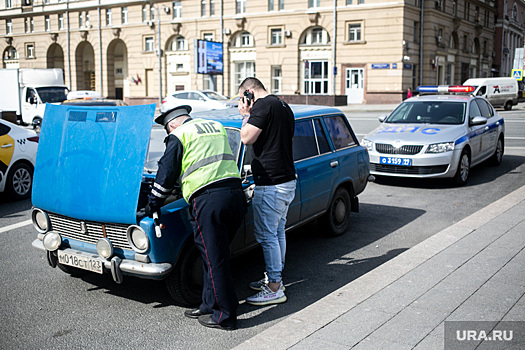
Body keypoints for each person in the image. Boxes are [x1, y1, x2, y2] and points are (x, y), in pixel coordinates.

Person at [145, 105, 247, 331]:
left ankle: (225, 317)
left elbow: (166, 173)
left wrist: (153, 203)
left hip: (209, 200)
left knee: (215, 260)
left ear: (171, 125)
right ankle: (208, 304)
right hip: (235, 195)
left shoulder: (179, 135)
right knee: (213, 257)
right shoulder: (216, 127)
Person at [237, 77, 296, 306]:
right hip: (286, 179)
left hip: (271, 183)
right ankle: (276, 279)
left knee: (267, 235)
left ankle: (274, 287)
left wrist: (245, 114)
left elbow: (245, 138)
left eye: (243, 98)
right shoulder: (283, 105)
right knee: (278, 231)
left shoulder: (261, 106)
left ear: (249, 93)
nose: (243, 102)